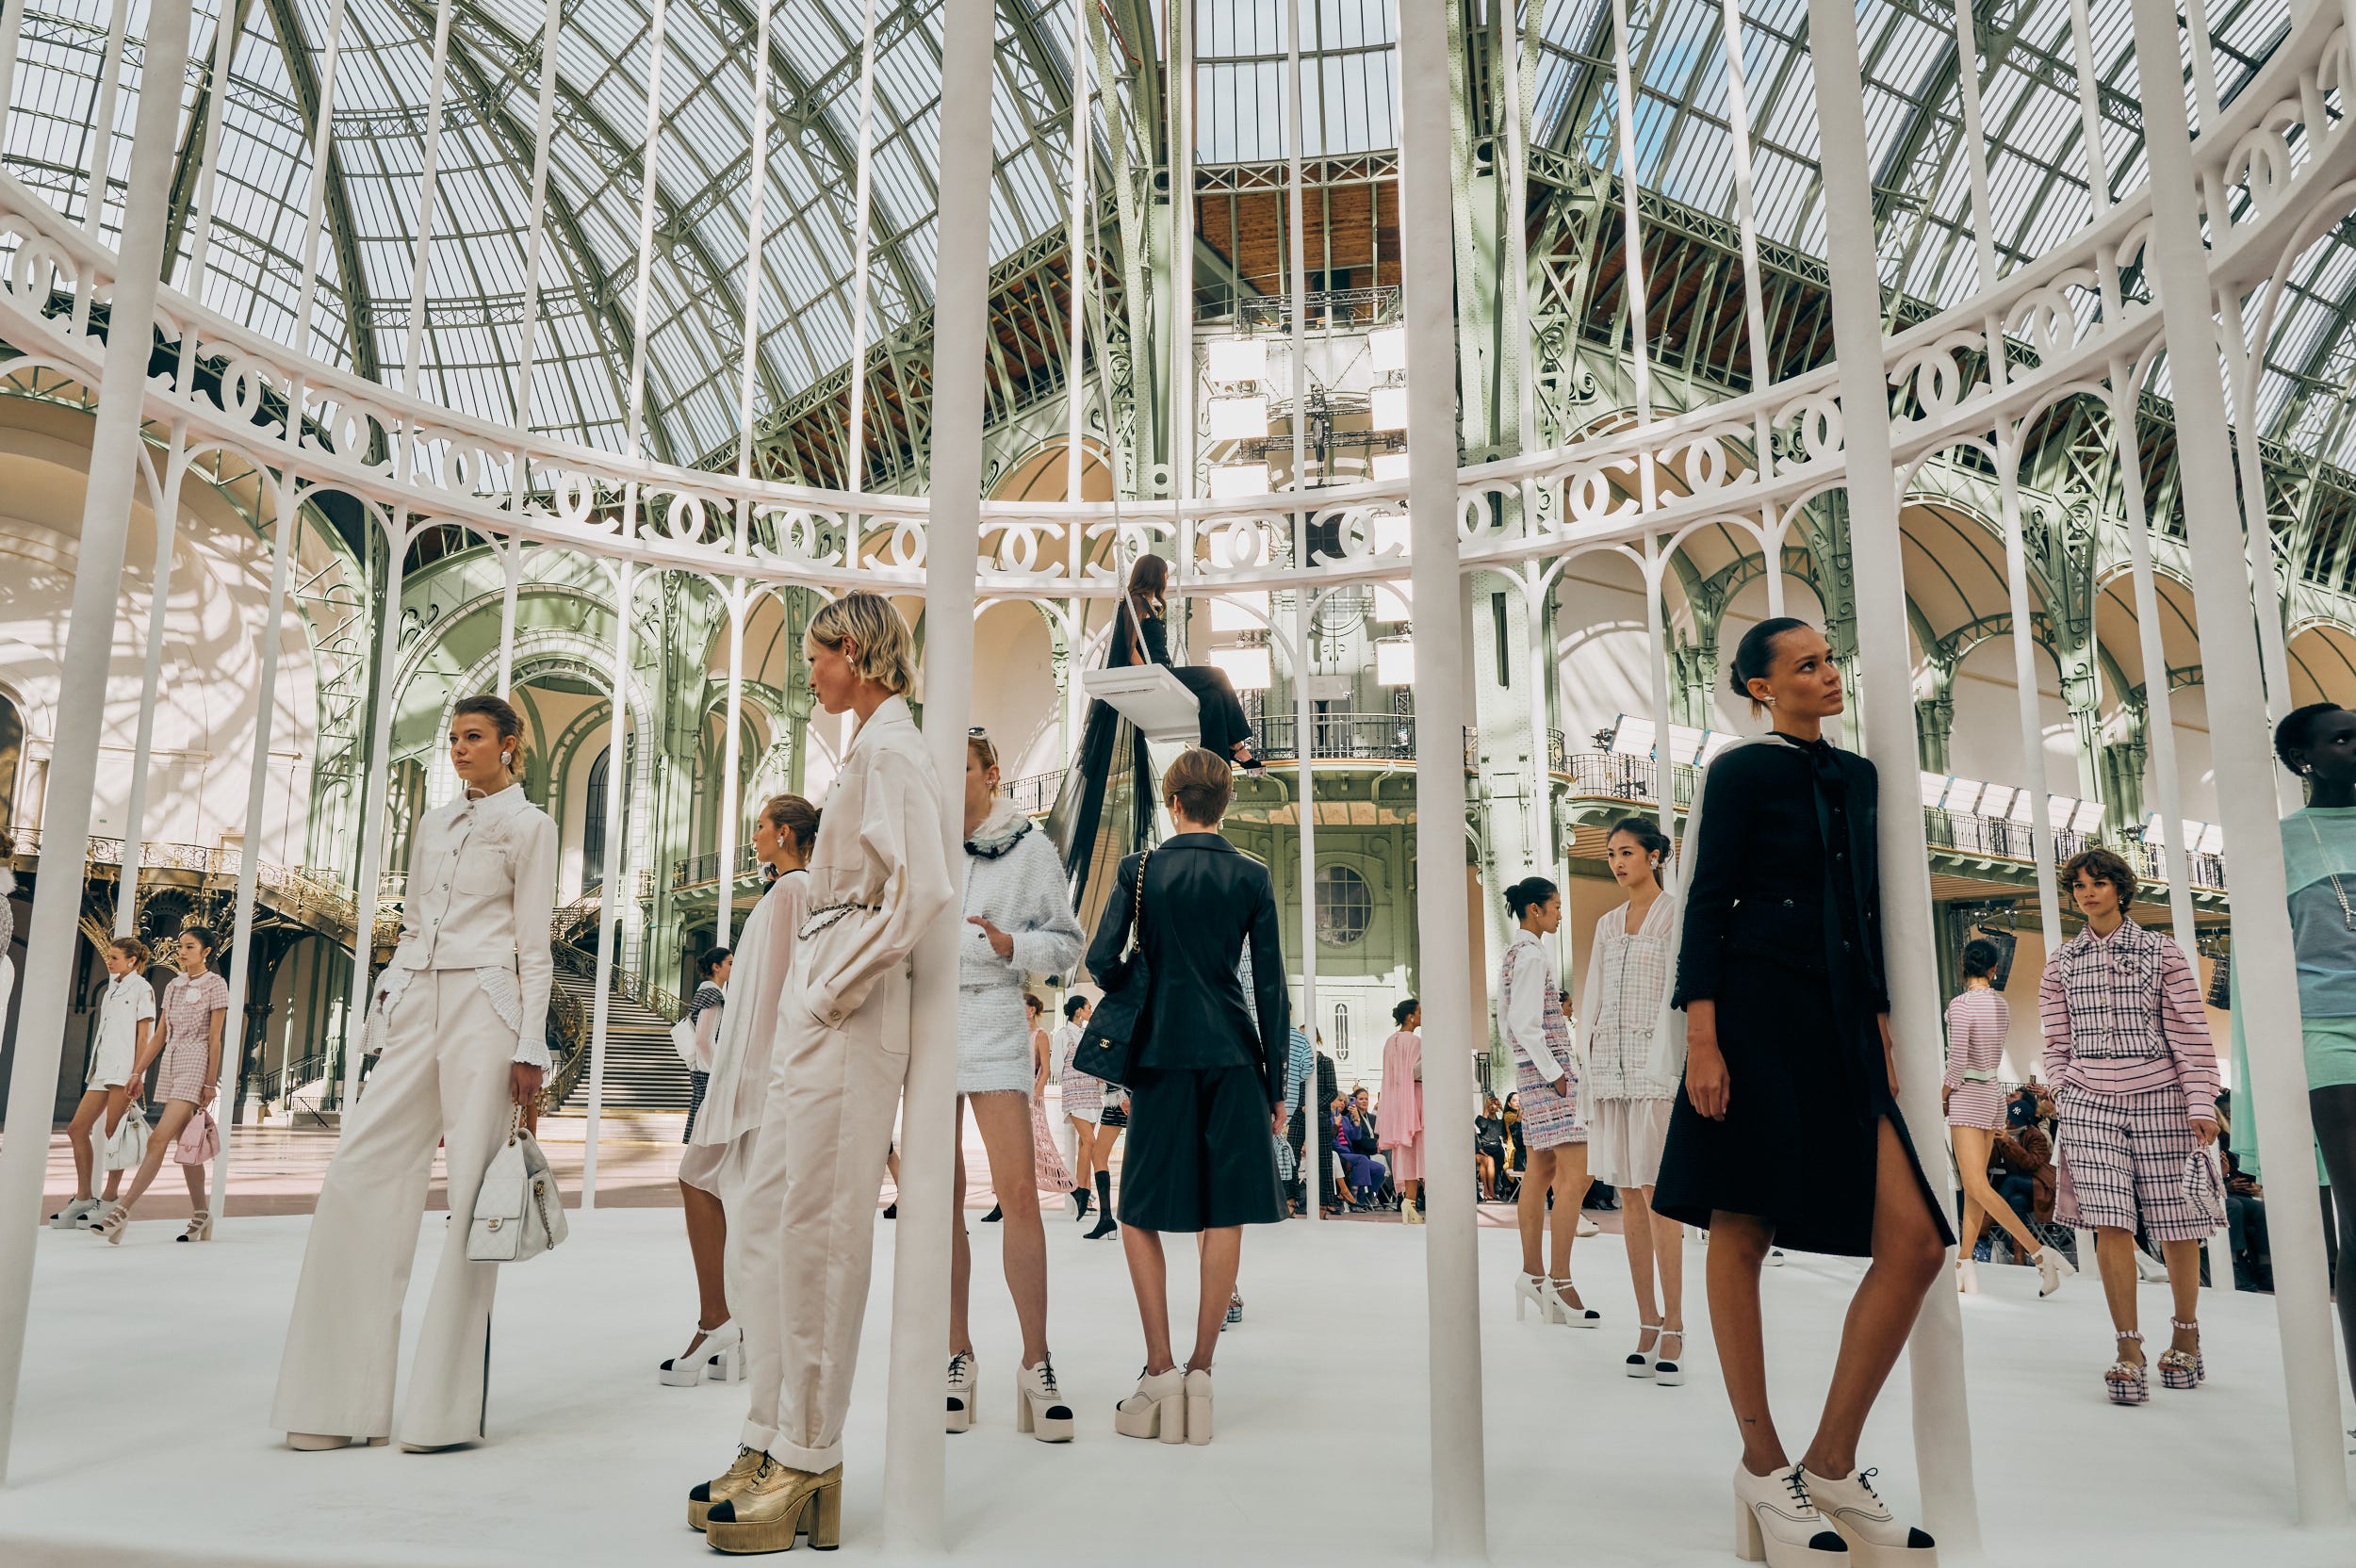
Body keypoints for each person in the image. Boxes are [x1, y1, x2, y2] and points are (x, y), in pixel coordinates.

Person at [1654, 617, 1952, 1562]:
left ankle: (1829, 1461)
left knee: (1913, 1241)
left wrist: (1877, 1017)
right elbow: (1707, 900)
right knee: (1739, 1225)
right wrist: (1701, 1034)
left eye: (1829, 657)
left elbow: (1861, 906)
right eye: (1806, 664)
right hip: (1748, 1012)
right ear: (1759, 687)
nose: (1828, 673)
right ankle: (1760, 1461)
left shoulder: (1857, 775)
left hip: (1838, 1023)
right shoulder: (1738, 772)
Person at [698, 592, 954, 1553]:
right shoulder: (870, 748)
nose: (810, 674)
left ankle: (809, 1453)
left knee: (821, 1232)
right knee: (768, 1215)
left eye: (816, 657)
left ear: (855, 651)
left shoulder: (891, 748)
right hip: (825, 1007)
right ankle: (768, 1435)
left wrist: (833, 985)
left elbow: (923, 887)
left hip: (847, 1015)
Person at [272, 694, 557, 1450]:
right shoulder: (435, 822)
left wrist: (532, 1045)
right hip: (417, 994)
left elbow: (535, 944)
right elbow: (412, 925)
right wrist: (388, 1004)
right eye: (453, 737)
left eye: (473, 737)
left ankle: (442, 1413)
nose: (459, 748)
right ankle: (336, 1405)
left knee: (470, 1194)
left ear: (509, 744)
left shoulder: (531, 827)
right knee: (359, 1172)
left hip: (488, 1006)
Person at [1087, 747, 1287, 1446]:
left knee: (1138, 1210)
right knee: (1223, 1211)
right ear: (1225, 802)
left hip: (1162, 1057)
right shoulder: (1252, 876)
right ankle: (1202, 1371)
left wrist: (1141, 971)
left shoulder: (1139, 870)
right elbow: (1271, 988)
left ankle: (1160, 1367)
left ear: (1172, 802)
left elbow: (1100, 960)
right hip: (1235, 1057)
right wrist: (1278, 1081)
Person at [2040, 846, 2220, 1406]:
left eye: (2099, 882)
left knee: (2175, 1217)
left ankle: (2185, 1334)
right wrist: (2065, 1087)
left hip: (2161, 1095)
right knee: (2108, 1221)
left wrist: (2200, 1102)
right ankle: (2128, 1348)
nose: (2088, 892)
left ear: (2121, 888)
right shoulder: (2060, 964)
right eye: (2079, 885)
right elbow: (2055, 1039)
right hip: (2089, 1100)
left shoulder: (2161, 952)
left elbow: (2190, 1031)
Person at [945, 730, 1087, 1440]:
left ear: (991, 774)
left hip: (996, 1021)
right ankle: (955, 1358)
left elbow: (1067, 943)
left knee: (1019, 1193)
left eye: (960, 767)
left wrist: (1012, 947)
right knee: (935, 1199)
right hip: (926, 1025)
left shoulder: (1032, 849)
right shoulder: (923, 841)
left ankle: (1036, 1362)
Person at [676, 793, 817, 1420]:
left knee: (749, 1201)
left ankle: (733, 1325)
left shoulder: (791, 895)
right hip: (750, 1068)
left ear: (784, 833)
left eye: (760, 826)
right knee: (705, 1180)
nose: (754, 834)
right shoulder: (783, 893)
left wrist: (764, 1066)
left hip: (761, 1072)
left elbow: (785, 984)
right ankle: (724, 1320)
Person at [2255, 702, 2356, 1400]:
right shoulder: (2280, 843)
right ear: (2304, 761)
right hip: (2330, 1032)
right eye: (2344, 738)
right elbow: (2266, 960)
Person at [1578, 816, 1686, 1382]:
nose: (1618, 863)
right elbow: (1592, 997)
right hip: (1611, 1077)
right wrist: (1587, 1071)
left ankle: (1676, 1325)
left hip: (1657, 1075)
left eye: (1627, 852)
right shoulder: (1606, 924)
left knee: (1659, 1197)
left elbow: (1684, 998)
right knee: (1628, 1200)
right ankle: (1647, 1321)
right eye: (1611, 853)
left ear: (1655, 856)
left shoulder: (1674, 918)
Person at [1942, 939, 2070, 1297]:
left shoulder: (1960, 1006)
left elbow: (1956, 1065)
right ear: (1994, 969)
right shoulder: (2000, 1005)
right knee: (1975, 1187)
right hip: (1991, 1096)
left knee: (1978, 1186)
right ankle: (1964, 1265)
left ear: (1963, 966)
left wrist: (1941, 1096)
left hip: (1967, 1095)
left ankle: (2040, 1253)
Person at [1497, 875, 1599, 1327]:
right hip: (1549, 1075)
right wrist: (1556, 1074)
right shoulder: (1533, 955)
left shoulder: (1516, 952)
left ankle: (1533, 1274)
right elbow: (1523, 1022)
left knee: (1540, 1171)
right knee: (1578, 1174)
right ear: (1534, 910)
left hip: (1533, 1073)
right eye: (1555, 906)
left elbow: (1507, 1025)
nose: (1559, 913)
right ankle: (1559, 1282)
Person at [93, 925, 229, 1244]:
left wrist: (210, 1085)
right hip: (170, 1063)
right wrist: (137, 1072)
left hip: (196, 1064)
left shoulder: (216, 985)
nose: (182, 952)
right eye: (181, 946)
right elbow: (159, 1035)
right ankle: (201, 1213)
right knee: (186, 1143)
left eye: (190, 947)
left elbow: (215, 1039)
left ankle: (121, 1211)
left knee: (158, 1141)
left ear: (206, 952)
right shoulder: (173, 985)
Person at [664, 944, 735, 1387]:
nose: (732, 968)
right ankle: (729, 1321)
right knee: (702, 1177)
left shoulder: (706, 993)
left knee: (705, 1178)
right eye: (729, 962)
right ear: (714, 966)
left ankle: (724, 1322)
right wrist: (717, 1083)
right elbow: (706, 1043)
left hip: (708, 1087)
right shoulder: (712, 995)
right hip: (713, 1087)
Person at [50, 936, 154, 1231]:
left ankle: (108, 1199)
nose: (108, 961)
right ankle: (83, 1197)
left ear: (131, 961)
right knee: (77, 1129)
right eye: (109, 956)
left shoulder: (142, 989)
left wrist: (138, 1073)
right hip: (102, 1069)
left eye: (115, 957)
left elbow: (144, 1036)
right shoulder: (111, 991)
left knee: (113, 1132)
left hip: (124, 1072)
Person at [1054, 994, 1115, 1228]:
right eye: (1088, 1007)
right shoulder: (1062, 1034)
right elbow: (1058, 1067)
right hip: (1075, 1092)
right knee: (1091, 1142)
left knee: (1084, 1144)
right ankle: (1081, 1188)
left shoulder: (1088, 1034)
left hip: (1091, 1092)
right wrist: (1073, 1081)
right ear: (1079, 1010)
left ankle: (1085, 1197)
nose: (1091, 1010)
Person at [1380, 1000, 1426, 1223]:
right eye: (1419, 1012)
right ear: (1410, 1016)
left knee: (1407, 1152)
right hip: (1416, 1097)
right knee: (1422, 1148)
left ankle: (1409, 1203)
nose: (1421, 1016)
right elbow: (1417, 1071)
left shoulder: (1390, 1042)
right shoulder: (1416, 1042)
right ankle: (1416, 1204)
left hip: (1397, 1103)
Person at [1330, 1092, 1386, 1207]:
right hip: (1337, 1153)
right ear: (1331, 1102)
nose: (1342, 1103)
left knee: (1380, 1169)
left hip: (1348, 1153)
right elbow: (1330, 1139)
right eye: (1339, 1100)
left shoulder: (1345, 1119)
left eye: (1344, 1101)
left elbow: (1356, 1136)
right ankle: (1355, 1198)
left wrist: (1356, 1118)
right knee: (1362, 1159)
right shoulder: (1326, 1117)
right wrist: (1335, 1124)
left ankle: (1369, 1196)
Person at [1476, 1095, 1509, 1200]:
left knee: (1497, 1159)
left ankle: (1493, 1190)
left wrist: (1503, 1108)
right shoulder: (1480, 1119)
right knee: (1489, 1160)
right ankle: (1489, 1190)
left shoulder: (1500, 1122)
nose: (1492, 1106)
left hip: (1497, 1149)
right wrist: (1485, 1109)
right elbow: (1483, 1126)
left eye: (1494, 1104)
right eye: (1490, 1104)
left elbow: (1509, 1124)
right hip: (1485, 1148)